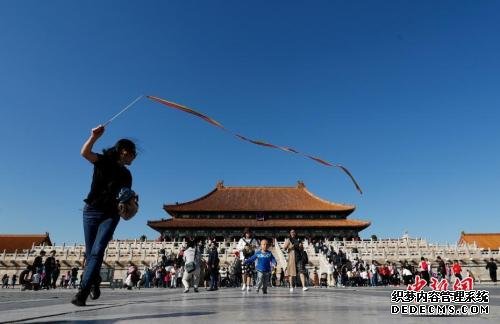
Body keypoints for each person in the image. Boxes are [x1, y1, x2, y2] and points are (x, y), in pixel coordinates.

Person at [72, 125, 137, 307]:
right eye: (133, 154)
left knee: (97, 250)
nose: (134, 158)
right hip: (91, 210)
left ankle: (82, 293)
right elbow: (84, 153)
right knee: (90, 252)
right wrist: (94, 137)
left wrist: (130, 197)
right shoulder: (103, 161)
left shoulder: (127, 174)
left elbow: (125, 195)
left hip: (111, 214)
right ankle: (95, 279)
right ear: (124, 151)